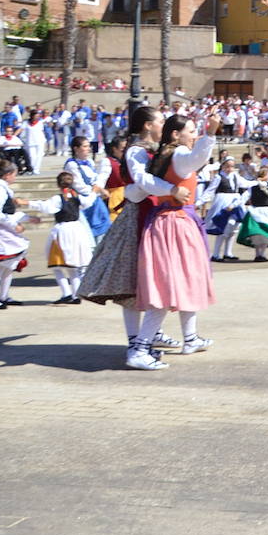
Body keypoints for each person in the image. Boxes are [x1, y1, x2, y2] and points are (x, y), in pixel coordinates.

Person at [76, 107, 194, 367]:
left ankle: (147, 337)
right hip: (140, 216)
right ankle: (137, 343)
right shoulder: (136, 149)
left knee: (147, 280)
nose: (163, 123)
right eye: (160, 120)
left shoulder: (153, 148)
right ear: (147, 125)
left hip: (154, 212)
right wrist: (171, 189)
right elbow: (142, 181)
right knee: (134, 279)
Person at [129, 112, 222, 369]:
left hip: (176, 222)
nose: (194, 135)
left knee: (186, 281)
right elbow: (197, 158)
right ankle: (140, 348)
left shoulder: (171, 156)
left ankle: (190, 338)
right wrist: (210, 133)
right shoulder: (179, 155)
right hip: (174, 224)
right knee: (168, 286)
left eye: (195, 131)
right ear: (175, 134)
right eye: (190, 131)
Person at [0, 158, 38, 309]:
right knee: (0, 265)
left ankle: (3, 295)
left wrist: (27, 218)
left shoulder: (3, 189)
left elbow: (7, 213)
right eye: (15, 174)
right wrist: (14, 225)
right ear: (8, 174)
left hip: (2, 229)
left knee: (9, 264)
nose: (15, 177)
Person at [28, 171, 99, 305]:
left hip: (63, 231)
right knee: (73, 266)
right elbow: (89, 201)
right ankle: (76, 294)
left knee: (57, 265)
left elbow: (45, 207)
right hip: (77, 230)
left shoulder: (58, 199)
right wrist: (94, 191)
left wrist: (27, 202)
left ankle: (67, 293)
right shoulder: (76, 197)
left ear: (58, 184)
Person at [201, 157, 253, 262]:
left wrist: (257, 183)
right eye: (227, 166)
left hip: (235, 201)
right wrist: (199, 202)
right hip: (223, 202)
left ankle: (228, 252)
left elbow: (245, 183)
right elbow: (210, 191)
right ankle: (216, 254)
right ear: (223, 166)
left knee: (234, 227)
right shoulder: (218, 177)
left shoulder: (235, 176)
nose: (230, 169)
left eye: (232, 166)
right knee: (223, 227)